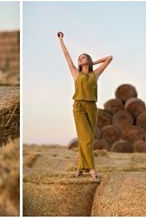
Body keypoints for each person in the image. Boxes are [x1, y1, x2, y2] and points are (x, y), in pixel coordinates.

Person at [57, 31, 113, 180]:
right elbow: (66, 55)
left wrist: (92, 63)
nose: (79, 59)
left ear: (87, 60)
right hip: (79, 108)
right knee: (87, 138)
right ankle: (92, 170)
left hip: (92, 108)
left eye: (83, 58)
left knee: (86, 140)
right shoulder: (76, 73)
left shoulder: (95, 75)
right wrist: (61, 39)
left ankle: (80, 168)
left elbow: (109, 58)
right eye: (79, 58)